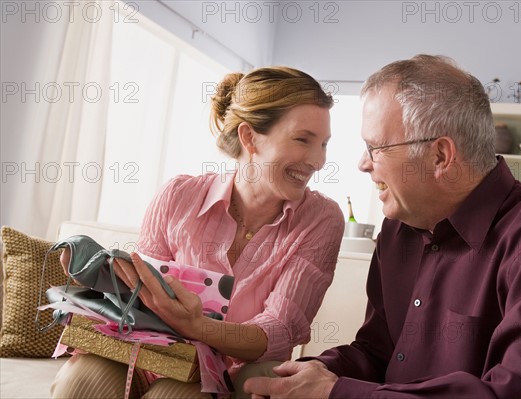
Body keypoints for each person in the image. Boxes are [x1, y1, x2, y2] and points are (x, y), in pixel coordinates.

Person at [244, 55, 521, 398]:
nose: (362, 164)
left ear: (440, 156)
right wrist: (300, 380)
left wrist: (337, 393)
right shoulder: (399, 232)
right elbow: (376, 352)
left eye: (375, 147)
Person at [51, 66, 345, 399]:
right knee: (82, 379)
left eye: (323, 144)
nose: (318, 160)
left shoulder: (321, 219)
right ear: (250, 138)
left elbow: (279, 330)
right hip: (154, 357)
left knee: (173, 396)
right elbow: (144, 296)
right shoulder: (178, 196)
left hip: (235, 378)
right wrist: (105, 281)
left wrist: (197, 327)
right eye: (303, 139)